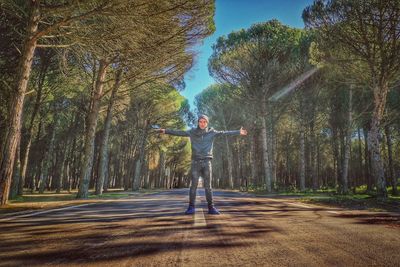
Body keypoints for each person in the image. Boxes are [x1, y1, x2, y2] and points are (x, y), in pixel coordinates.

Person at [159, 114, 248, 215]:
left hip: (207, 162)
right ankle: (191, 207)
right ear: (198, 122)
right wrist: (166, 131)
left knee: (208, 187)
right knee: (193, 186)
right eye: (200, 121)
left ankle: (211, 208)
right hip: (195, 162)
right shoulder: (192, 132)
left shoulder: (212, 132)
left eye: (204, 122)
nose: (202, 123)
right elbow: (180, 132)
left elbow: (224, 133)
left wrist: (238, 132)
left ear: (207, 123)